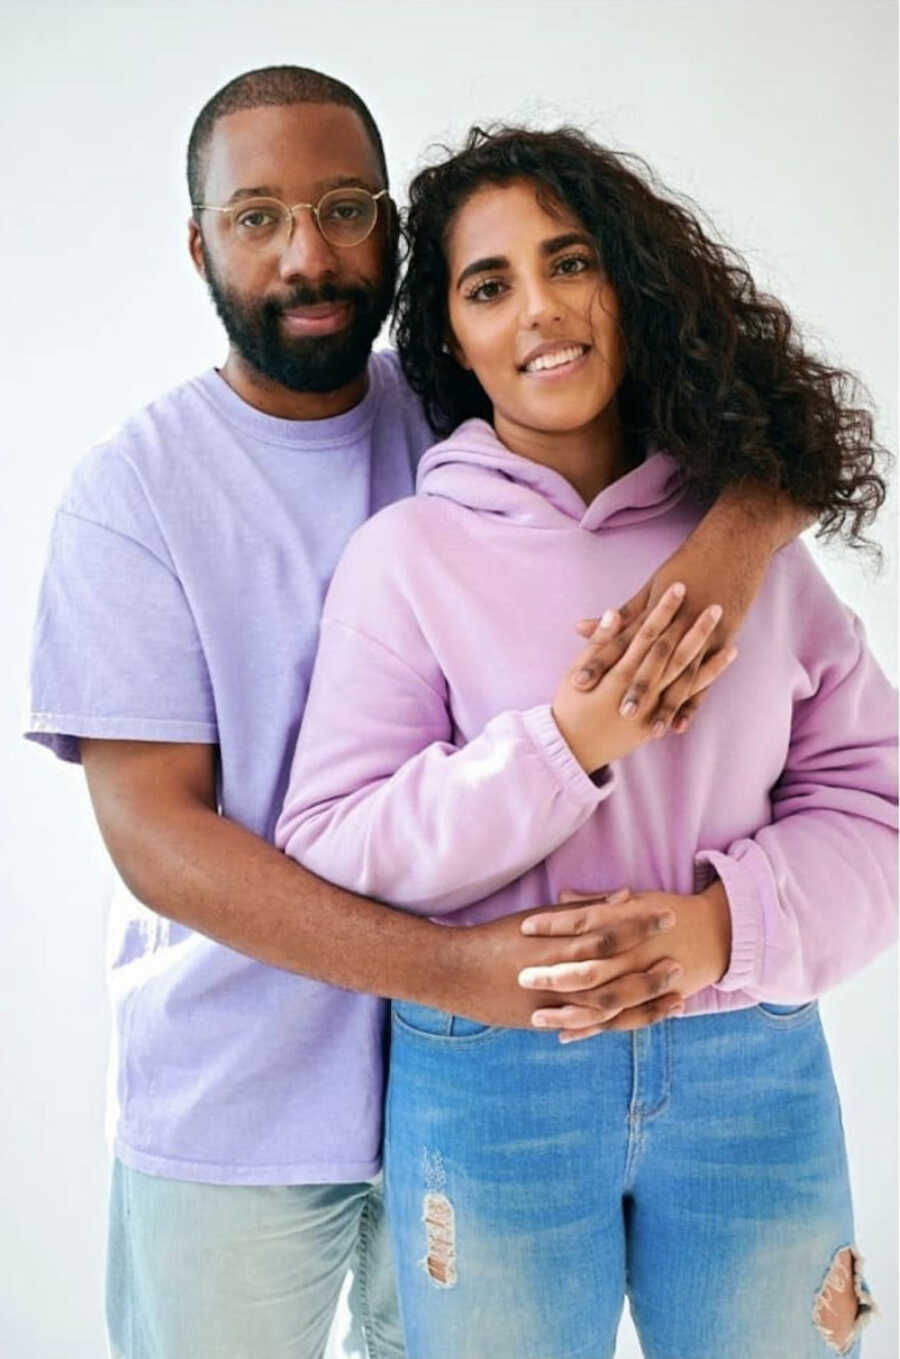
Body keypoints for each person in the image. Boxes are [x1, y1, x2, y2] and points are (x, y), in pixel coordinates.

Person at [26, 66, 818, 1359]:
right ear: (198, 241)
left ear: (396, 231)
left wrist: (723, 561)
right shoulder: (135, 492)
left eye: (345, 209)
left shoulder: (473, 394)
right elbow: (155, 837)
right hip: (243, 1101)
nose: (306, 254)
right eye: (257, 217)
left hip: (479, 1100)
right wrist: (456, 970)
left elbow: (757, 439)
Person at [276, 125, 897, 1358]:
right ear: (451, 337)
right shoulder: (408, 560)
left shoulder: (751, 545)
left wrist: (723, 928)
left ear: (629, 285)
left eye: (572, 264)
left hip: (751, 1065)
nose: (542, 311)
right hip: (491, 1076)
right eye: (489, 285)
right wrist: (568, 741)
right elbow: (334, 839)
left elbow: (874, 803)